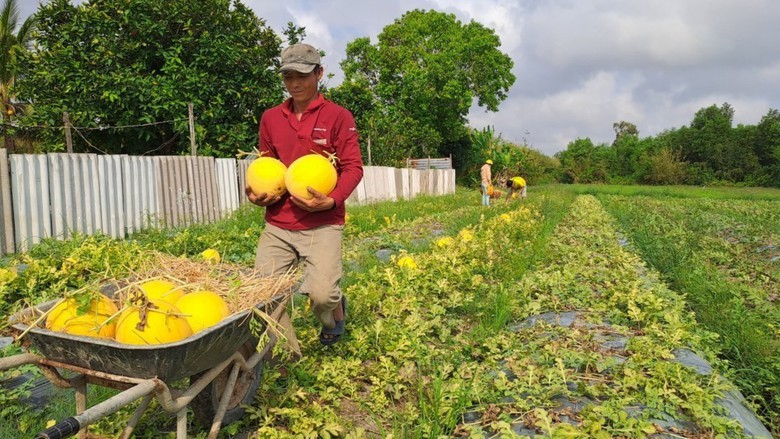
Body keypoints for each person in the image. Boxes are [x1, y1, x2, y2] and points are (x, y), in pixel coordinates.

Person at [245, 43, 364, 346]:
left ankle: (333, 312)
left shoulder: (338, 116)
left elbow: (353, 168)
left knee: (322, 295)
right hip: (279, 224)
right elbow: (266, 165)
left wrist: (332, 200)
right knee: (263, 294)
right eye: (288, 77)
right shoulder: (270, 118)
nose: (295, 84)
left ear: (319, 73)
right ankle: (287, 356)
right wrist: (256, 192)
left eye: (302, 75)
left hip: (323, 224)